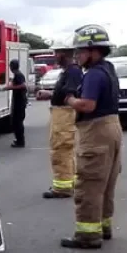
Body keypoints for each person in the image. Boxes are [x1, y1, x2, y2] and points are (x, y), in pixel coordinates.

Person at [60, 24, 123, 249]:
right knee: (106, 182)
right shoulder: (109, 68)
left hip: (96, 131)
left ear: (93, 50)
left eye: (80, 51)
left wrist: (69, 100)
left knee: (89, 183)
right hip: (113, 128)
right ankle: (103, 226)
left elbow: (87, 105)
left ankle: (88, 235)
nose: (77, 56)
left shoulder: (94, 74)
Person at [36, 40, 84, 198]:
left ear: (63, 53)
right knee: (65, 150)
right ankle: (70, 182)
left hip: (64, 114)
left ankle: (62, 187)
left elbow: (70, 93)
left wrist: (54, 95)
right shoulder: (69, 71)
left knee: (60, 150)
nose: (54, 56)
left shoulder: (73, 72)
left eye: (56, 53)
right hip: (61, 113)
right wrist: (50, 94)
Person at [6, 59, 28, 148]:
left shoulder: (18, 75)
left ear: (12, 67)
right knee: (15, 122)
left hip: (20, 102)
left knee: (17, 122)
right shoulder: (17, 75)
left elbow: (23, 85)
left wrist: (10, 87)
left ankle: (20, 141)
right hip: (18, 101)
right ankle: (18, 139)